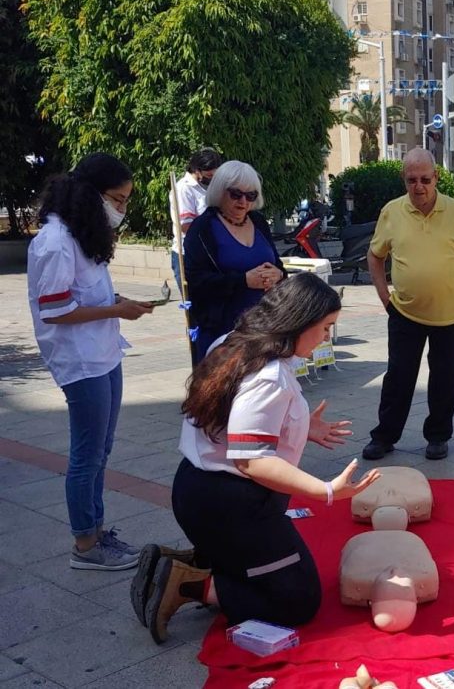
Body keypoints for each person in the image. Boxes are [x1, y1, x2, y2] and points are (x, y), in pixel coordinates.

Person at [136, 273, 381, 644]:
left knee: (272, 570)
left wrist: (300, 429)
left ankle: (195, 560)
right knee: (298, 601)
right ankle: (190, 583)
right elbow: (251, 461)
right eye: (326, 327)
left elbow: (232, 420)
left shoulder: (232, 343)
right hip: (232, 506)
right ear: (299, 321)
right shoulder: (270, 376)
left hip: (199, 490)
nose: (328, 337)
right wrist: (327, 491)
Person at [27, 153, 155, 571]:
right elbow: (56, 309)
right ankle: (85, 544)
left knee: (101, 449)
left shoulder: (80, 234)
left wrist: (119, 303)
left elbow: (85, 295)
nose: (122, 209)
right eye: (117, 200)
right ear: (92, 194)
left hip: (103, 353)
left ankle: (97, 531)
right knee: (87, 455)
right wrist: (116, 312)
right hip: (79, 361)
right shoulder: (54, 241)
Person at [362, 148, 454, 462]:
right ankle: (384, 436)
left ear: (436, 178)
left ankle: (438, 437)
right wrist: (383, 297)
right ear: (404, 180)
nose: (419, 187)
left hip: (453, 316)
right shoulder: (392, 211)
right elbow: (375, 256)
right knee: (398, 379)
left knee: (445, 380)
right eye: (411, 180)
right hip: (404, 313)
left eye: (425, 179)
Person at [183, 160, 285, 365]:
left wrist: (279, 275)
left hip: (263, 328)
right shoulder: (203, 228)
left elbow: (278, 265)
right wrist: (242, 281)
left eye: (251, 196)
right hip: (221, 331)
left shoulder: (258, 222)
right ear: (220, 191)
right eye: (236, 194)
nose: (243, 202)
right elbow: (196, 281)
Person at [169, 148, 223, 297]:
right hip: (189, 255)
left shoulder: (209, 187)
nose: (212, 178)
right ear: (197, 170)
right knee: (195, 304)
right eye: (209, 175)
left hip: (210, 253)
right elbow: (186, 226)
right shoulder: (184, 189)